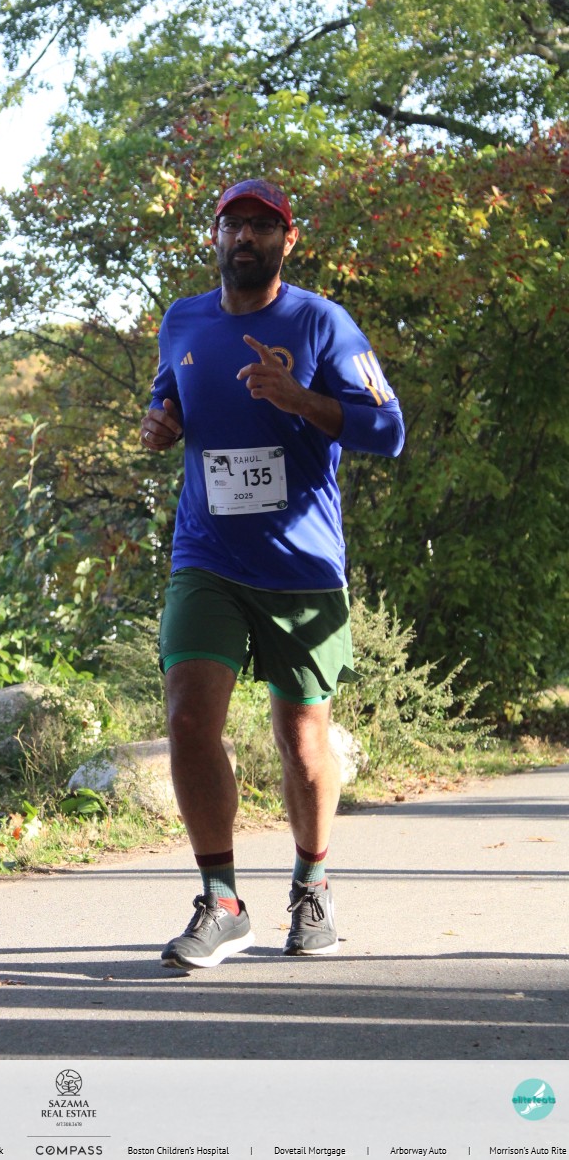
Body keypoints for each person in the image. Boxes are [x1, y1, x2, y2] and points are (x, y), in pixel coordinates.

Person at [140, 179, 404, 966]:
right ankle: (221, 901)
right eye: (234, 224)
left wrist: (301, 400)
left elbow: (388, 429)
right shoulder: (182, 320)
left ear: (289, 239)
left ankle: (312, 887)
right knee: (189, 719)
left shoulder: (322, 322)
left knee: (301, 737)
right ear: (214, 236)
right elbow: (169, 398)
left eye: (263, 225)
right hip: (207, 554)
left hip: (301, 564)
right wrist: (161, 423)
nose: (246, 237)